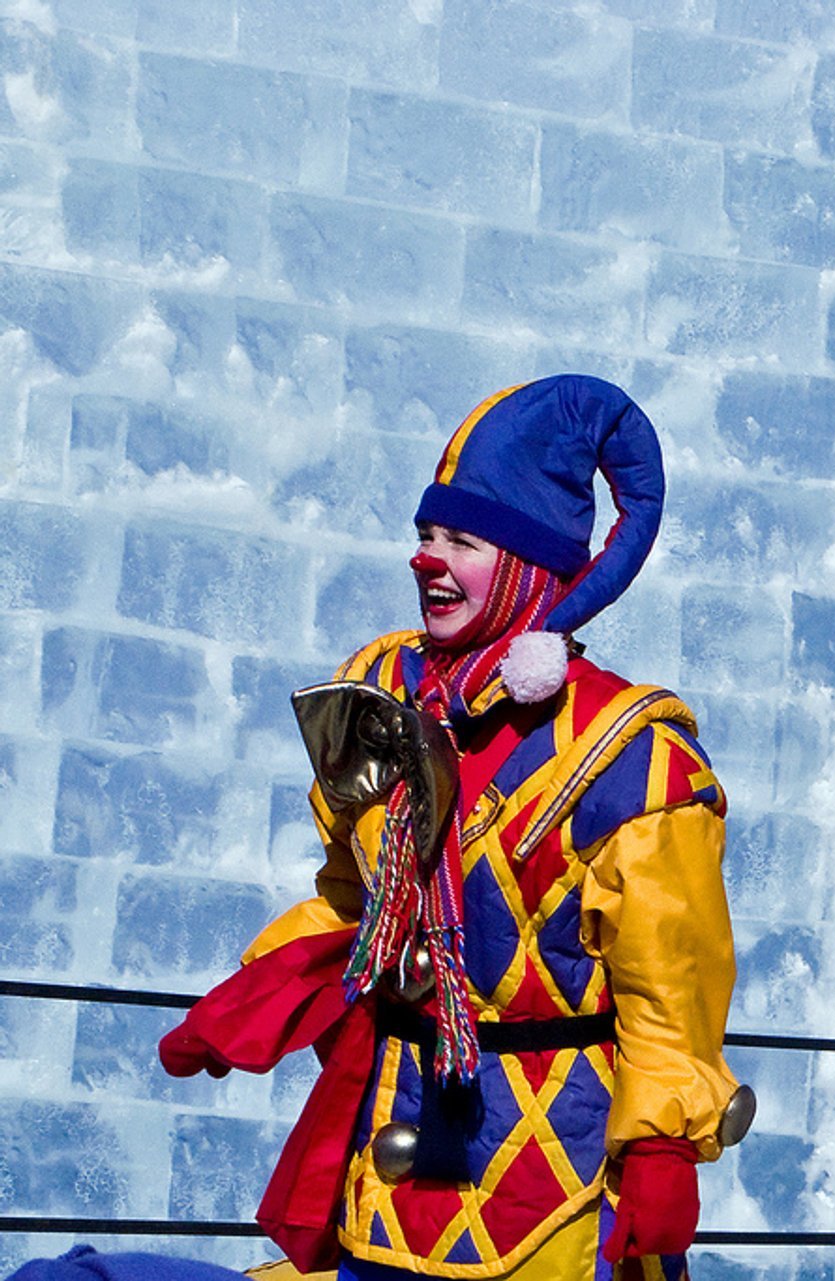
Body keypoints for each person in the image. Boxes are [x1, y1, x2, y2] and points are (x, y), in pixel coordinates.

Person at [160, 375, 743, 1281]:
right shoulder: (383, 691)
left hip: (555, 1185)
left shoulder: (632, 754)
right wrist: (263, 981)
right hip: (389, 1151)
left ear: (527, 568)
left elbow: (673, 978)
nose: (426, 559)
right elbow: (352, 898)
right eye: (425, 534)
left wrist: (665, 1143)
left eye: (461, 540)